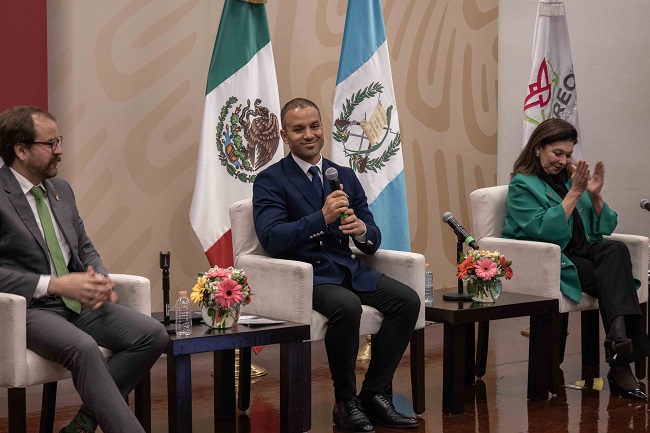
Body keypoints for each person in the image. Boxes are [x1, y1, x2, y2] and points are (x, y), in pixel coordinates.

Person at [253, 98, 420, 432]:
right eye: (298, 129)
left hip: (347, 269)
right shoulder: (271, 179)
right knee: (346, 306)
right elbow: (271, 238)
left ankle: (374, 394)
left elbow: (371, 234)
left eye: (314, 126)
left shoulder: (342, 174)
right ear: (285, 136)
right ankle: (346, 402)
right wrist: (321, 218)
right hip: (306, 276)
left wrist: (362, 233)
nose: (309, 134)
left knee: (408, 300)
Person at [0, 106, 169, 433]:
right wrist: (52, 285)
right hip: (29, 309)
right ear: (20, 150)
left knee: (152, 334)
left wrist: (99, 278)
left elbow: (83, 245)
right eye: (50, 144)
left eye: (58, 140)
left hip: (77, 305)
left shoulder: (61, 189)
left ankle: (82, 425)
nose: (59, 150)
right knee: (84, 347)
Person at [503, 118, 650, 400]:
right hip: (555, 257)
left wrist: (595, 196)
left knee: (616, 249)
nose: (563, 160)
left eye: (568, 154)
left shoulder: (571, 179)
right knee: (614, 277)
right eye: (557, 153)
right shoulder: (522, 185)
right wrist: (574, 193)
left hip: (583, 251)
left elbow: (604, 227)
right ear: (538, 148)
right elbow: (544, 231)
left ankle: (617, 336)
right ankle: (620, 362)